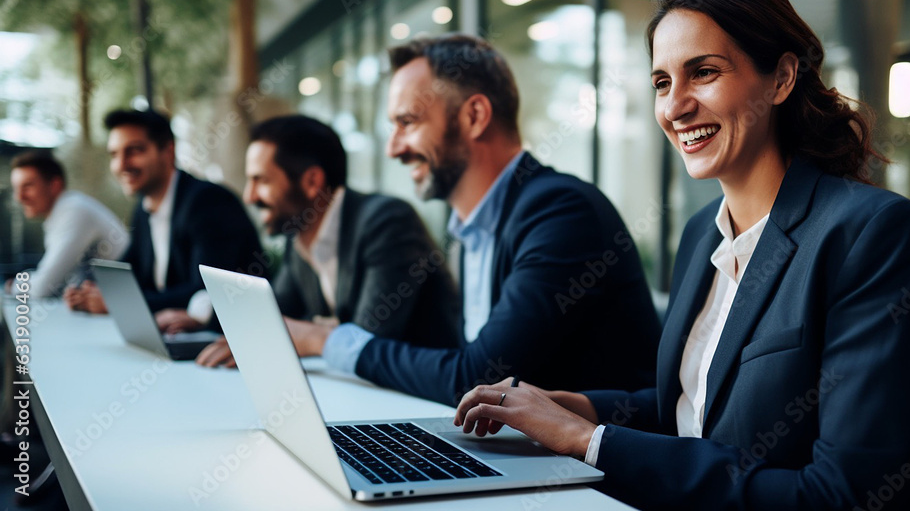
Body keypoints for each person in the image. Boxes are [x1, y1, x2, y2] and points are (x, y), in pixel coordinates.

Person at [454, 0, 910, 511]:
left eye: (704, 72)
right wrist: (582, 409)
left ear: (782, 79)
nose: (675, 106)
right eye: (662, 82)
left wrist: (589, 441)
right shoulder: (701, 236)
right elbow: (701, 410)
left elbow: (845, 497)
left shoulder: (874, 234)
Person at [266, 35, 662, 407]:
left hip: (594, 473)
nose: (393, 148)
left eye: (408, 122)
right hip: (518, 453)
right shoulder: (472, 227)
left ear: (474, 116)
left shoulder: (560, 213)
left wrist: (325, 339)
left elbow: (479, 379)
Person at [195, 115, 462, 367]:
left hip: (426, 401)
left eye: (261, 180)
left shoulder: (386, 222)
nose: (249, 196)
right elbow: (273, 318)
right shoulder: (298, 236)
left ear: (312, 181)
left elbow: (369, 342)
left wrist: (309, 333)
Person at [64, 109, 263, 334]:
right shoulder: (143, 208)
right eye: (114, 154)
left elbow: (206, 291)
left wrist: (119, 303)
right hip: (170, 334)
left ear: (168, 151)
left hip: (230, 335)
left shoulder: (208, 201)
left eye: (134, 151)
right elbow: (127, 269)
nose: (121, 165)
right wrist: (87, 289)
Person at [8, 150, 127, 297]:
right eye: (16, 188)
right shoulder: (63, 212)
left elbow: (43, 288)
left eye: (27, 186)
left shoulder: (74, 210)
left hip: (133, 301)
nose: (19, 197)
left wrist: (13, 285)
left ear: (54, 185)